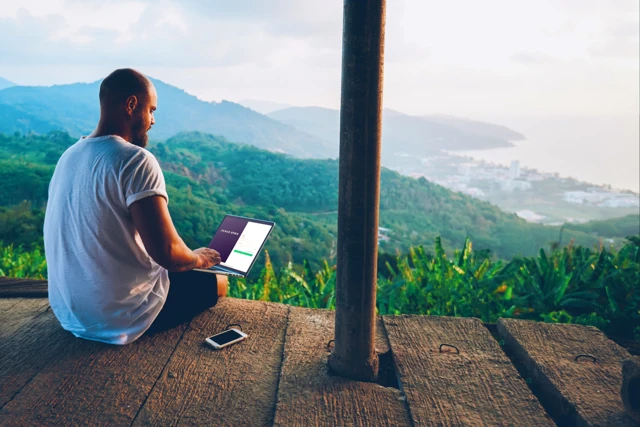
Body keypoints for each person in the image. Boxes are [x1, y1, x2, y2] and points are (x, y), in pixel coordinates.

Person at [43, 68, 227, 345]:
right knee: (218, 282)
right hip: (117, 318)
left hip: (69, 313)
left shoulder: (69, 155)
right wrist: (200, 258)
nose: (152, 120)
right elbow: (168, 254)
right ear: (131, 105)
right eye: (151, 110)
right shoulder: (135, 159)